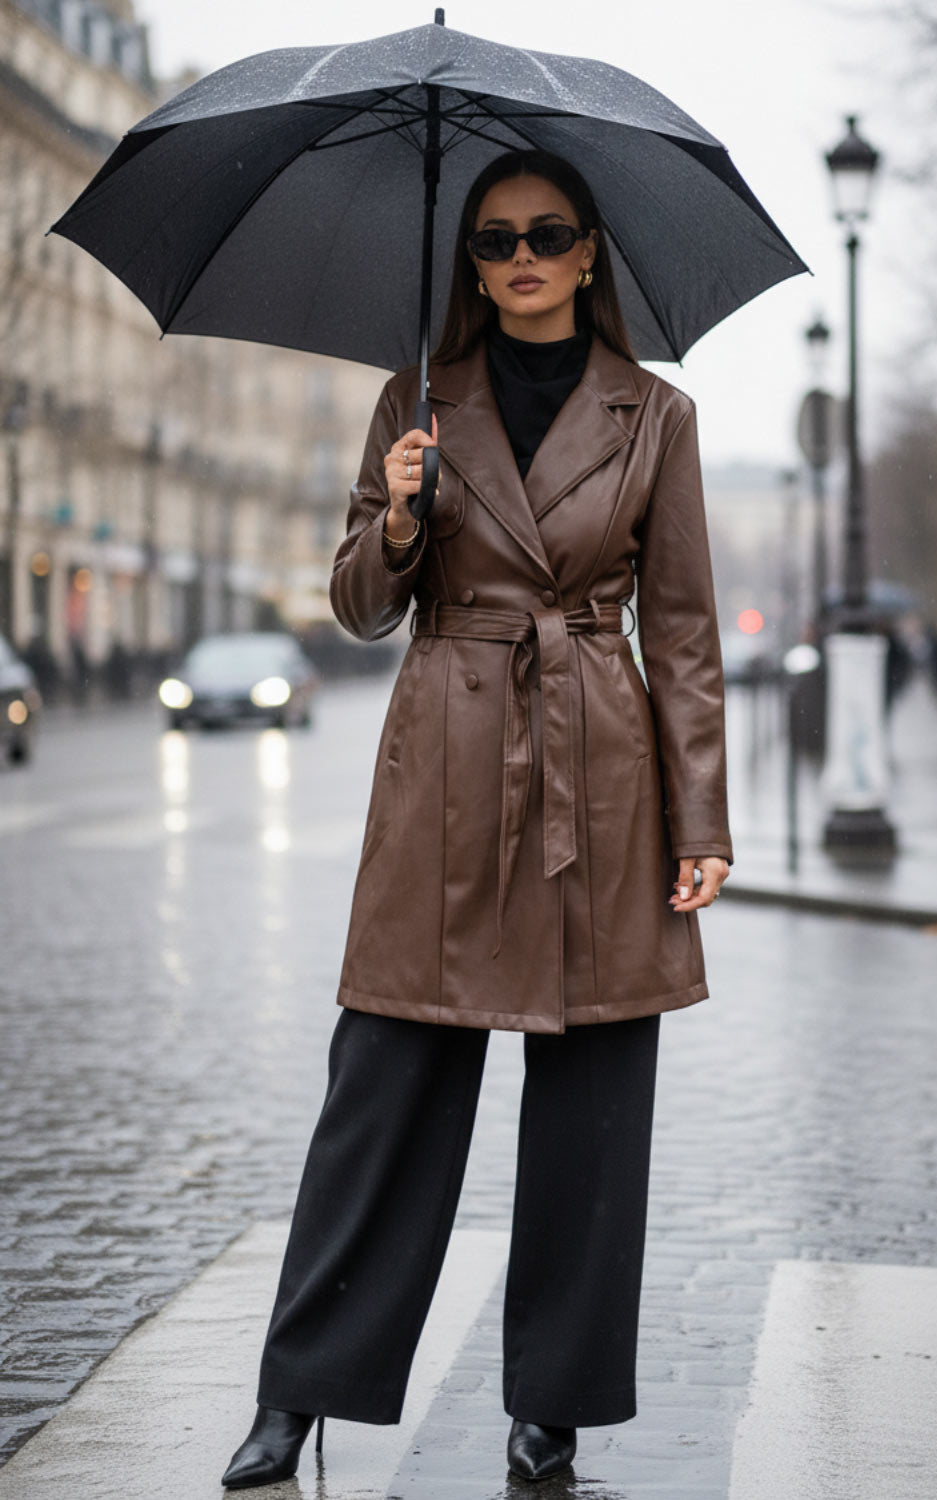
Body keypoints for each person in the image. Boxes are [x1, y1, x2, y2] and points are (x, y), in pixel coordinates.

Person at [222, 147, 732, 1490]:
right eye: (494, 239)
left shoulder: (656, 418)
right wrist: (396, 513)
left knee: (592, 1110)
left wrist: (703, 823)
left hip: (601, 764)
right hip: (445, 750)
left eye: (545, 234)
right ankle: (298, 1392)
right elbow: (356, 605)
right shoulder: (417, 403)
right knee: (381, 1090)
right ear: (473, 264)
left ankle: (549, 1407)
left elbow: (678, 631)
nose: (518, 257)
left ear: (587, 254)